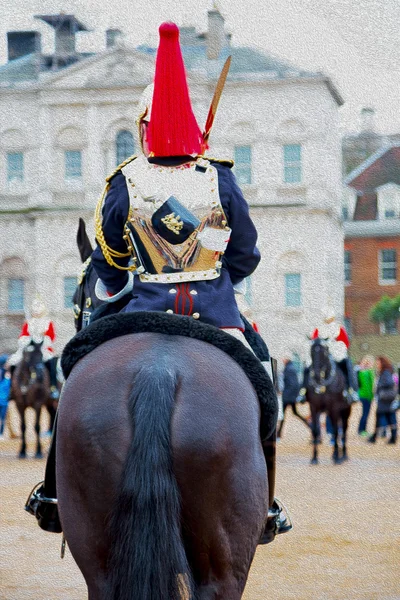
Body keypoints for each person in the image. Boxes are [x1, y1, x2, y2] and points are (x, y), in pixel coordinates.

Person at [26, 22, 291, 543]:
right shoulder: (220, 176)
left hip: (139, 310)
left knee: (74, 376)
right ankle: (265, 506)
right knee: (264, 383)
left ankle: (53, 493)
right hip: (216, 314)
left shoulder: (123, 181)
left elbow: (108, 258)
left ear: (144, 126)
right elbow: (246, 252)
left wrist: (138, 273)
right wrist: (215, 278)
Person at [298, 306, 358, 403]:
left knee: (346, 364)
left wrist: (336, 346)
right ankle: (303, 390)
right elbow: (314, 342)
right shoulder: (318, 329)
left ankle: (350, 389)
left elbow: (345, 342)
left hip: (335, 353)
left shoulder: (339, 328)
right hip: (321, 355)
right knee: (307, 367)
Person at [7, 297, 59, 399]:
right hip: (29, 348)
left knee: (52, 363)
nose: (36, 309)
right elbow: (22, 336)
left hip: (43, 348)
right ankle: (11, 389)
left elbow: (51, 337)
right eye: (35, 307)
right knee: (13, 363)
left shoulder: (48, 322)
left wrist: (42, 338)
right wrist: (28, 339)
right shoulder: (28, 322)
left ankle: (53, 387)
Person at [277, 356, 310, 438]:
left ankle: (278, 433)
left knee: (283, 415)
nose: (282, 360)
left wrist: (286, 394)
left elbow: (293, 385)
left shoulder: (289, 369)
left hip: (288, 397)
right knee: (294, 413)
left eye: (284, 358)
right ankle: (309, 425)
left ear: (287, 359)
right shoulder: (289, 368)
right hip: (289, 396)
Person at [368, 356, 397, 445]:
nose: (377, 364)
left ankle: (376, 437)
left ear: (382, 363)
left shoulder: (385, 372)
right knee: (389, 417)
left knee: (383, 417)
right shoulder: (385, 371)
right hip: (385, 399)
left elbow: (389, 382)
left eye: (378, 363)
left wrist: (379, 384)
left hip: (385, 399)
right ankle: (392, 437)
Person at [357, 355, 375, 436]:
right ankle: (362, 430)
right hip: (366, 396)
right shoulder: (367, 372)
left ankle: (361, 429)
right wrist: (371, 396)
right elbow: (368, 386)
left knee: (365, 413)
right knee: (365, 413)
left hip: (363, 395)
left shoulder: (361, 372)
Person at [0, 356, 11, 440]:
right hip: (3, 400)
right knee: (3, 418)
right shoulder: (4, 374)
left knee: (3, 418)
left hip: (4, 401)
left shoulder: (8, 376)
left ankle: (1, 432)